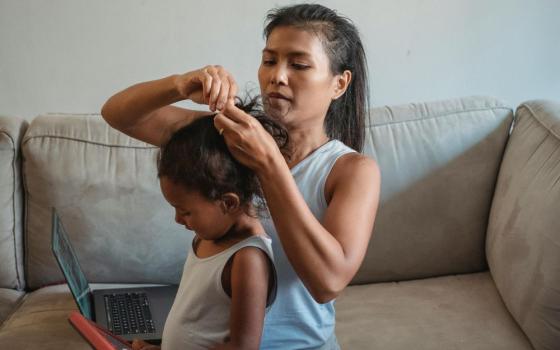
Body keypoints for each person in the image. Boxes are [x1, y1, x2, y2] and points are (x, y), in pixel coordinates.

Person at [102, 4, 381, 349]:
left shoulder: (351, 170)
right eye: (269, 60)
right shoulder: (225, 138)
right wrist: (179, 85)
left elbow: (328, 283)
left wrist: (269, 164)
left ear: (339, 83)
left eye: (298, 64)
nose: (277, 76)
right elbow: (117, 114)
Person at [133, 102, 286, 350]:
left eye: (185, 211)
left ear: (227, 202)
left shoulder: (248, 260)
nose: (178, 220)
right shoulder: (209, 235)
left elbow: (243, 348)